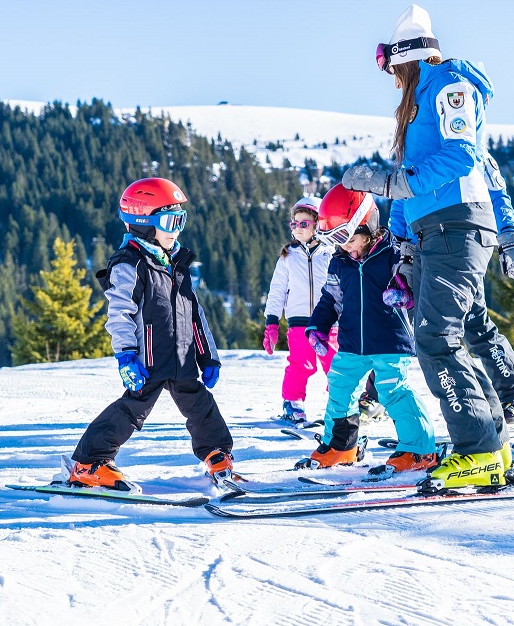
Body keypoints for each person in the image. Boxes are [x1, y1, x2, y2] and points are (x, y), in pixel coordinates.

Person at [343, 4, 514, 492]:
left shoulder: (449, 84)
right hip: (433, 232)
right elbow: (409, 188)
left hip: (459, 224)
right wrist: (402, 248)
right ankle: (490, 443)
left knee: (436, 339)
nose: (390, 79)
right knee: (447, 336)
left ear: (406, 60)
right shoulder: (415, 107)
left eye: (390, 69)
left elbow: (463, 154)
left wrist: (390, 183)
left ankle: (478, 451)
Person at [68, 177, 234, 490]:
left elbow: (195, 314)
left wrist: (208, 355)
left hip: (182, 357)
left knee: (200, 405)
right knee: (132, 409)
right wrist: (126, 356)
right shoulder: (130, 264)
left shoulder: (175, 263)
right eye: (170, 221)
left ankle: (217, 455)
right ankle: (90, 463)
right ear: (143, 222)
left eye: (180, 220)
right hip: (148, 359)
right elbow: (119, 314)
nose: (176, 230)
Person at [298, 184, 437, 474]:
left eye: (347, 237)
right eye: (335, 240)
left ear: (368, 224)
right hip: (352, 343)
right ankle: (342, 446)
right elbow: (331, 299)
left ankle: (420, 450)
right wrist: (318, 327)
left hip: (390, 339)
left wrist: (406, 292)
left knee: (391, 391)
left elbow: (414, 279)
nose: (344, 246)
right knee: (339, 388)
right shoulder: (340, 262)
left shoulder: (393, 253)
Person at [263, 197, 384, 425]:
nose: (297, 229)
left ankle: (340, 406)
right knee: (300, 364)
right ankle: (293, 403)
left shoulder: (332, 253)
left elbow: (343, 286)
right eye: (294, 223)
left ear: (318, 224)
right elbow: (277, 290)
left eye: (304, 224)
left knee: (336, 365)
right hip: (298, 323)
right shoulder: (288, 256)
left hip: (330, 323)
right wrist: (271, 321)